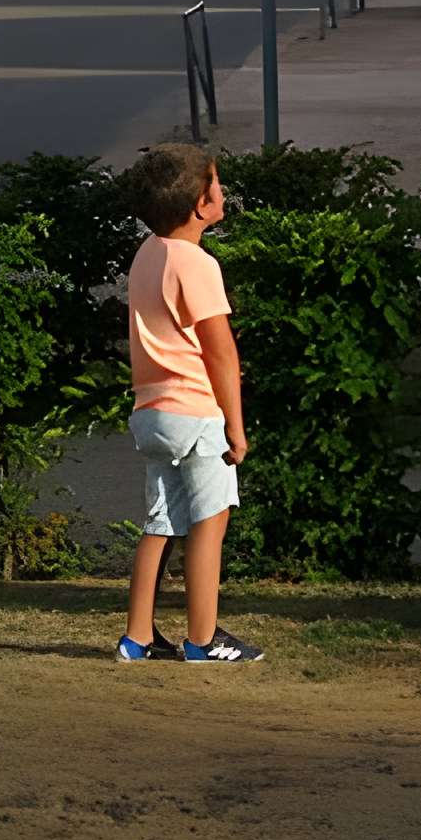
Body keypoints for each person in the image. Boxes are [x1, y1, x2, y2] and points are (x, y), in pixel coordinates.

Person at [115, 143, 261, 663]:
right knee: (209, 521)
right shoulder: (196, 262)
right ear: (202, 204)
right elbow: (221, 353)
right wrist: (237, 430)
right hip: (196, 413)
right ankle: (203, 640)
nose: (222, 192)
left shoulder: (148, 252)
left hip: (151, 413)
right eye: (217, 184)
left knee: (161, 524)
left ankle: (137, 639)